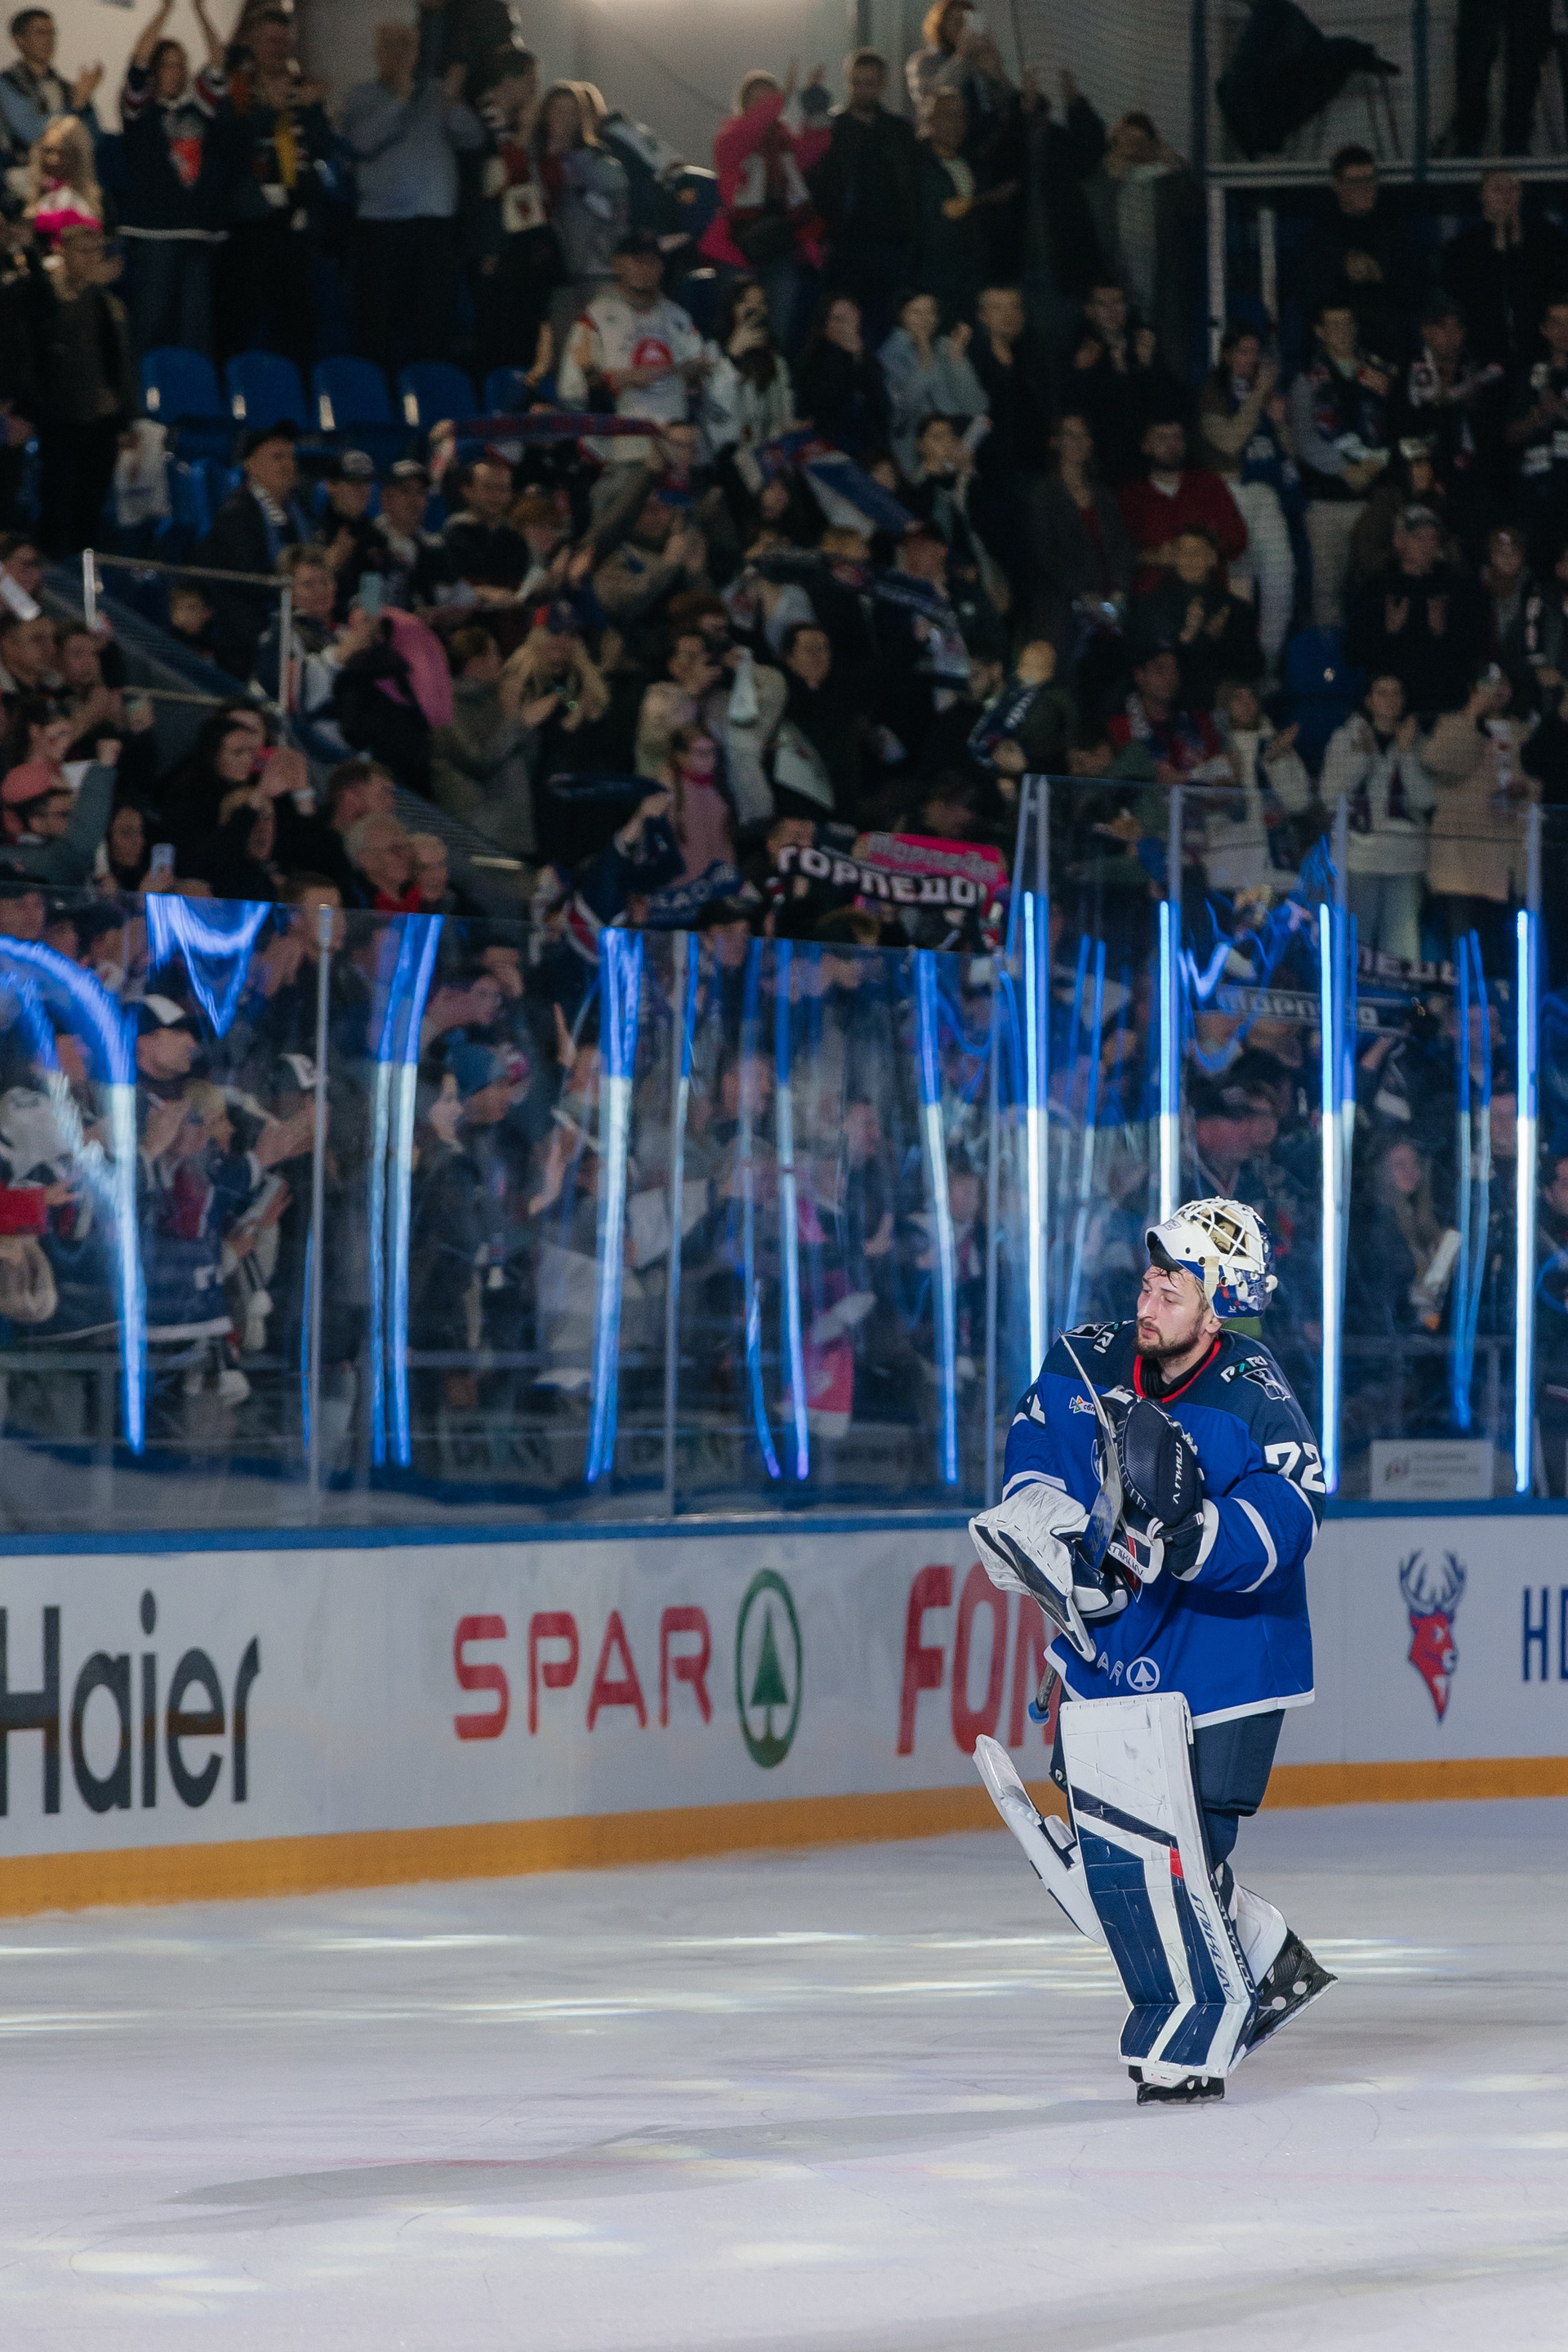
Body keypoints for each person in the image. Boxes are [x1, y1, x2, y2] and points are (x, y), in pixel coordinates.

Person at [969, 1197, 1331, 2105]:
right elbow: (1039, 1457)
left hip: (1228, 1660)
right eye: (1150, 1279)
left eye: (1176, 1286)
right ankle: (1259, 1951)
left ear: (1220, 1306)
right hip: (1116, 1644)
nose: (1151, 1296)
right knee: (1124, 1859)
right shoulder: (1085, 1360)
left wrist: (1196, 1536)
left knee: (1174, 1857)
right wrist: (1056, 1554)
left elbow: (1294, 1516)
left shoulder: (1255, 1393)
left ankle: (1197, 2028)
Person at [341, 8, 483, 374]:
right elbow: (362, 143)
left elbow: (472, 137)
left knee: (434, 325)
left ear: (417, 53)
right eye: (390, 46)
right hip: (381, 228)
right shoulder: (361, 97)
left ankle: (430, 395)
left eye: (406, 46)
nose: (398, 54)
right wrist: (401, 99)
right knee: (377, 325)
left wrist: (452, 103)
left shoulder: (437, 93)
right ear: (377, 52)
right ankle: (378, 397)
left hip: (434, 229)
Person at [219, 7, 339, 375]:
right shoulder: (237, 89)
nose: (278, 49)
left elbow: (324, 147)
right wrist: (270, 112)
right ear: (252, 44)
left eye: (284, 41)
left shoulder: (301, 89)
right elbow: (230, 147)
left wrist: (314, 109)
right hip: (249, 225)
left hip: (295, 225)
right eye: (270, 41)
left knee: (297, 323)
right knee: (239, 322)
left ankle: (296, 395)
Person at [117, 0, 229, 358]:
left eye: (181, 65)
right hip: (154, 234)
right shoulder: (140, 112)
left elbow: (218, 60)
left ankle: (192, 393)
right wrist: (166, 9)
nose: (176, 73)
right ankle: (146, 390)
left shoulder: (199, 110)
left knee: (196, 331)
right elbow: (138, 60)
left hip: (196, 233)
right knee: (152, 325)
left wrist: (200, 10)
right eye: (168, 65)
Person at [20, 220, 136, 556]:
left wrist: (127, 417)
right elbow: (62, 339)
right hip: (62, 416)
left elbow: (122, 361)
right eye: (83, 251)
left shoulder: (110, 302)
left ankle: (83, 565)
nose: (91, 259)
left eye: (96, 252)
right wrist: (90, 290)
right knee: (59, 500)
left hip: (102, 419)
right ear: (63, 252)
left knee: (92, 503)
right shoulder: (48, 295)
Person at [700, 61, 830, 353]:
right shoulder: (730, 138)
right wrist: (784, 93)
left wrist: (814, 100)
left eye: (770, 99)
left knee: (778, 329)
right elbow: (753, 127)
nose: (767, 106)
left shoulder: (785, 142)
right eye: (759, 101)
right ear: (743, 105)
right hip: (738, 247)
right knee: (736, 329)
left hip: (781, 245)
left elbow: (814, 147)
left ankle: (774, 377)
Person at [555, 229, 705, 466]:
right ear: (617, 265)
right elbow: (571, 393)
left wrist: (693, 375)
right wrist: (618, 379)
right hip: (621, 447)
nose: (645, 268)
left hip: (676, 447)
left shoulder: (679, 318)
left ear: (661, 267)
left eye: (652, 261)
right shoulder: (594, 317)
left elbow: (702, 383)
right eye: (637, 261)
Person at [1198, 325, 1298, 670]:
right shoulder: (1214, 390)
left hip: (1267, 492)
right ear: (1227, 354)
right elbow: (1230, 441)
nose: (1251, 359)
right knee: (1238, 583)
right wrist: (1257, 394)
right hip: (1231, 490)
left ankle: (1266, 666)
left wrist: (1280, 422)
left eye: (1256, 352)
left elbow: (1291, 452)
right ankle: (1236, 671)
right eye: (1243, 351)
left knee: (1281, 576)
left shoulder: (1267, 391)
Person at [1321, 675, 1437, 965]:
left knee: (1400, 952)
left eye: (1396, 693)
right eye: (1382, 692)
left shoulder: (1418, 742)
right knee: (1355, 948)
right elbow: (1330, 795)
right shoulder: (1346, 738)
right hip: (1358, 858)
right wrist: (1362, 758)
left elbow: (1425, 800)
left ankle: (1397, 997)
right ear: (1369, 701)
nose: (1390, 699)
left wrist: (1407, 753)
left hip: (1405, 859)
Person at [1290, 300, 1392, 630]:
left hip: (1373, 499)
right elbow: (1305, 440)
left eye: (1347, 323)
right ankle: (1329, 657)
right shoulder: (1306, 380)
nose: (1342, 331)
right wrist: (1346, 470)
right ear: (1320, 332)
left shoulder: (1380, 370)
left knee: (1375, 588)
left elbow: (1395, 423)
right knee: (1327, 592)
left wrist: (1375, 465)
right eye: (1333, 324)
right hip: (1326, 500)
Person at [807, 49, 917, 350]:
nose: (862, 90)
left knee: (887, 328)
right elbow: (816, 183)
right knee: (843, 327)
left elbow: (910, 188)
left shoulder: (899, 131)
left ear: (883, 84)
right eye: (857, 83)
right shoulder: (834, 129)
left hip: (890, 244)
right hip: (846, 245)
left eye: (869, 83)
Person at [1082, 110, 1202, 385]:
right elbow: (1090, 214)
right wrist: (1111, 171)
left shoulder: (1170, 182)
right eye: (1125, 141)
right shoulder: (1101, 183)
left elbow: (1197, 205)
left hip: (1165, 295)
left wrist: (1174, 161)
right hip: (1117, 296)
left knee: (1169, 371)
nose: (1132, 148)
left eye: (1139, 141)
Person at [1345, 501, 1486, 719]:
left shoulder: (1457, 586)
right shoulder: (1376, 587)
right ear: (1398, 541)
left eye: (1433, 538)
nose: (1427, 545)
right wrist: (1388, 631)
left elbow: (1474, 650)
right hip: (1392, 708)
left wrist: (1442, 633)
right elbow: (1355, 653)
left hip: (1445, 703)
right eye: (1419, 538)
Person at [198, 422, 309, 679]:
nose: (287, 465)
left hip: (300, 624)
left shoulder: (299, 511)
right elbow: (248, 579)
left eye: (291, 457)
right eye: (277, 457)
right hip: (253, 639)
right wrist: (297, 587)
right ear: (251, 465)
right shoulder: (238, 513)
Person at [1297, 145, 1425, 366]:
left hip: (1390, 348)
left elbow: (1419, 290)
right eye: (1354, 181)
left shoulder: (1397, 232)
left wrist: (1380, 273)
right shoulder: (1319, 237)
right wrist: (1341, 269)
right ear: (1337, 185)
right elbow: (1308, 295)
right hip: (1337, 355)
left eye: (1369, 179)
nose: (1364, 188)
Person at [1441, 171, 1568, 373]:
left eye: (1513, 188)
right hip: (1482, 354)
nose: (1506, 195)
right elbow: (1461, 294)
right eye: (1498, 189)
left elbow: (1556, 288)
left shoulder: (1549, 239)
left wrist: (1519, 250)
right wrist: (1495, 252)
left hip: (1539, 353)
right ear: (1482, 195)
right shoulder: (1462, 247)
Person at [532, 78, 628, 347]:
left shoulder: (604, 165)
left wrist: (581, 187)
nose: (562, 118)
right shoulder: (534, 160)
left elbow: (617, 216)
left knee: (604, 347)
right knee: (562, 352)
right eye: (556, 110)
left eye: (570, 111)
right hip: (554, 275)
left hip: (598, 273)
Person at [1119, 416, 1247, 598]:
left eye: (1177, 437)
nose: (1171, 444)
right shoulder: (1131, 496)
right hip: (1154, 596)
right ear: (1146, 445)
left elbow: (1237, 537)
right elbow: (1120, 552)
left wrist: (1202, 551)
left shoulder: (1208, 484)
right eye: (1162, 438)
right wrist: (1154, 556)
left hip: (1207, 593)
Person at [878, 291, 987, 479]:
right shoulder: (889, 355)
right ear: (902, 316)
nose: (925, 319)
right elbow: (900, 416)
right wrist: (924, 363)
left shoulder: (945, 347)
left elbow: (976, 406)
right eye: (916, 312)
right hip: (914, 455)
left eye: (930, 312)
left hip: (957, 447)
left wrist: (957, 359)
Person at [0, 10, 101, 187]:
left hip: (66, 172)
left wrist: (84, 103)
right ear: (19, 40)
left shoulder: (66, 88)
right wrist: (75, 106)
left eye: (51, 33)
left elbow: (94, 138)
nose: (48, 39)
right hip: (22, 171)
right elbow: (32, 134)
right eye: (40, 33)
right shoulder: (8, 84)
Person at [702, 274, 795, 460]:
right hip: (725, 456)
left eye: (760, 303)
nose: (753, 309)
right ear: (731, 308)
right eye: (745, 302)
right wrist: (732, 357)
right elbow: (714, 409)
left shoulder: (776, 360)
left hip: (767, 457)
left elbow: (785, 417)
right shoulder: (713, 351)